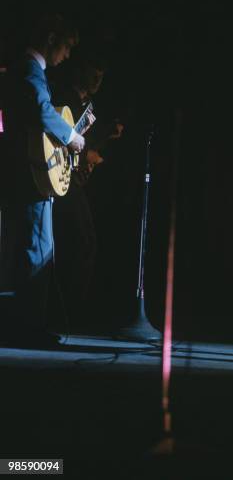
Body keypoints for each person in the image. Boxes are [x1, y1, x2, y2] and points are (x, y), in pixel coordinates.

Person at [1, 14, 83, 346]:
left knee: (36, 246)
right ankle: (29, 329)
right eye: (65, 47)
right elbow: (40, 108)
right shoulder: (29, 69)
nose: (67, 55)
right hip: (30, 174)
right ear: (51, 38)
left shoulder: (28, 70)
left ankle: (28, 326)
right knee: (38, 248)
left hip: (29, 171)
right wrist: (72, 136)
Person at [51, 53, 123, 330]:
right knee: (81, 241)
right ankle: (68, 314)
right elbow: (58, 140)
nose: (97, 80)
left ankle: (68, 313)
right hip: (58, 179)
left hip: (71, 178)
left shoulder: (89, 106)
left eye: (101, 76)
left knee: (80, 242)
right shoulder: (63, 98)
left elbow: (86, 145)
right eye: (93, 73)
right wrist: (85, 157)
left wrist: (94, 152)